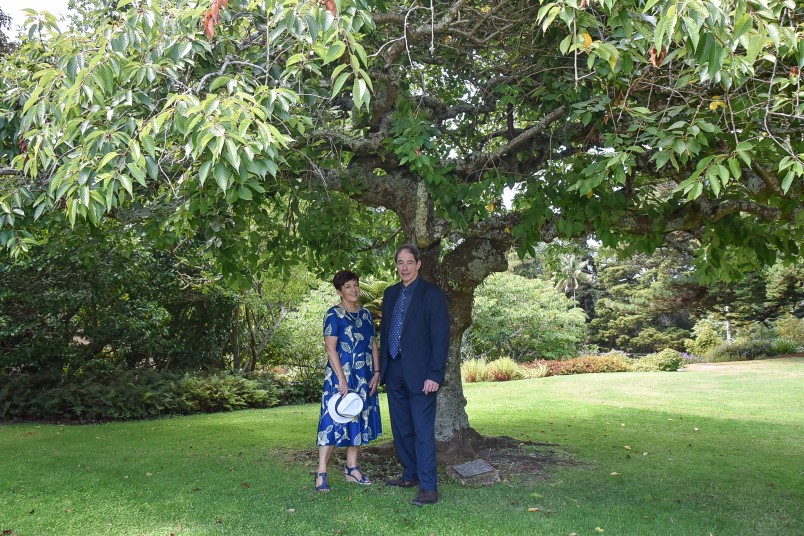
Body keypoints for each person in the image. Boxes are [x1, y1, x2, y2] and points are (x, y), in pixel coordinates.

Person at [380, 244, 449, 506]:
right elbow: (386, 333)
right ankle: (410, 474)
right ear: (396, 265)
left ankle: (429, 487)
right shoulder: (390, 294)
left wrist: (435, 374)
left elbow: (440, 338)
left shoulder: (432, 295)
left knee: (422, 431)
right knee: (401, 429)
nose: (405, 268)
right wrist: (382, 370)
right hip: (394, 370)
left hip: (422, 376)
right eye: (400, 262)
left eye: (410, 262)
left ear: (419, 265)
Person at [315, 270, 382, 492]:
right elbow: (330, 348)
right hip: (339, 376)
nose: (353, 290)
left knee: (357, 418)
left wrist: (376, 372)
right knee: (332, 421)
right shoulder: (333, 315)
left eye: (355, 285)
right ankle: (321, 471)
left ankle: (352, 468)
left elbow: (373, 344)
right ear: (339, 291)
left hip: (363, 375)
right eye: (347, 287)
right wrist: (342, 379)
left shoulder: (365, 315)